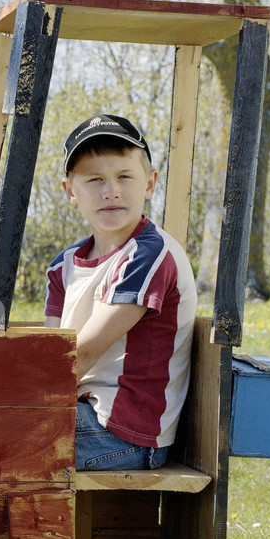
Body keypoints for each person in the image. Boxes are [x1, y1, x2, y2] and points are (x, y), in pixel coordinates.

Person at [44, 114, 197, 471]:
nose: (110, 190)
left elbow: (80, 354)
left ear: (150, 183)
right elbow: (52, 351)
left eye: (124, 177)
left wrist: (16, 405)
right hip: (77, 409)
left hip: (125, 431)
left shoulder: (149, 255)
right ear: (70, 191)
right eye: (95, 179)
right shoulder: (62, 265)